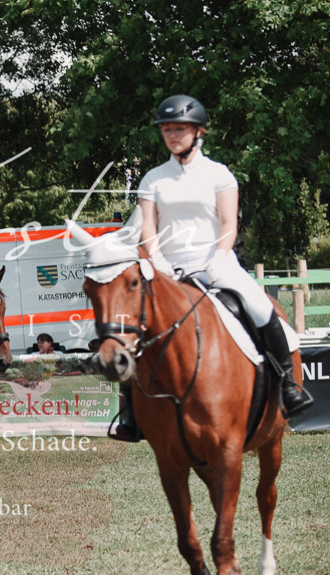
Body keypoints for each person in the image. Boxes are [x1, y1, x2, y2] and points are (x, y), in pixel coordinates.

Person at [114, 94, 312, 440]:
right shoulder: (153, 179)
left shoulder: (219, 174)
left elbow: (228, 225)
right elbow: (147, 227)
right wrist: (157, 262)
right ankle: (130, 413)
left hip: (215, 262)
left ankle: (288, 387)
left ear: (198, 131)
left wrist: (221, 255)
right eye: (166, 129)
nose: (172, 135)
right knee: (131, 326)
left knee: (261, 308)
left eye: (180, 128)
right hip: (166, 268)